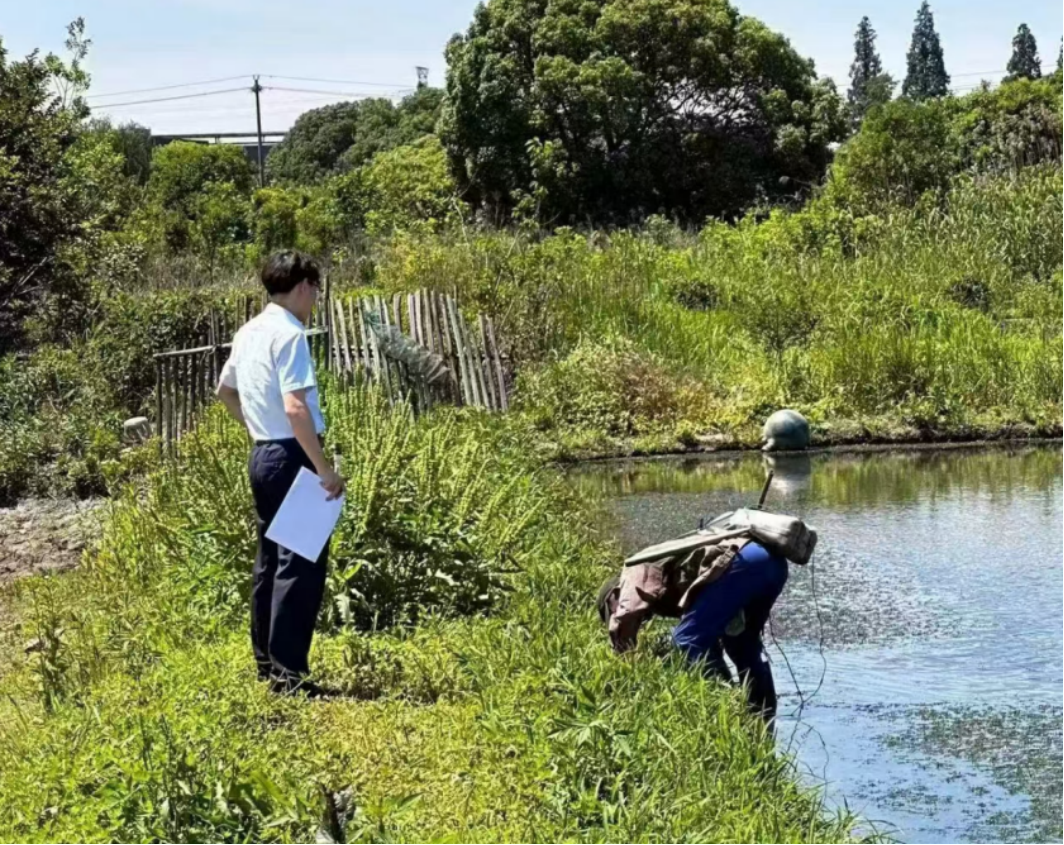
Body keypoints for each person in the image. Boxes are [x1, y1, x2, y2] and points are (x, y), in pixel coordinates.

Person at [216, 250, 345, 696]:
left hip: (263, 453)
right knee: (300, 563)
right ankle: (290, 675)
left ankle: (267, 665)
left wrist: (257, 427)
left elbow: (225, 391)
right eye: (316, 291)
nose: (315, 301)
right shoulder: (291, 335)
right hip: (293, 454)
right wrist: (324, 470)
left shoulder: (248, 331)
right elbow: (296, 407)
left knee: (270, 562)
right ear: (305, 286)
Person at [598, 538, 789, 723]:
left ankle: (728, 713)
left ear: (612, 597)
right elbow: (707, 638)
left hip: (743, 563)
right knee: (742, 643)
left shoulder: (632, 573)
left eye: (610, 610)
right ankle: (763, 718)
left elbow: (626, 614)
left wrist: (623, 659)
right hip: (771, 563)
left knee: (684, 641)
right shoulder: (659, 568)